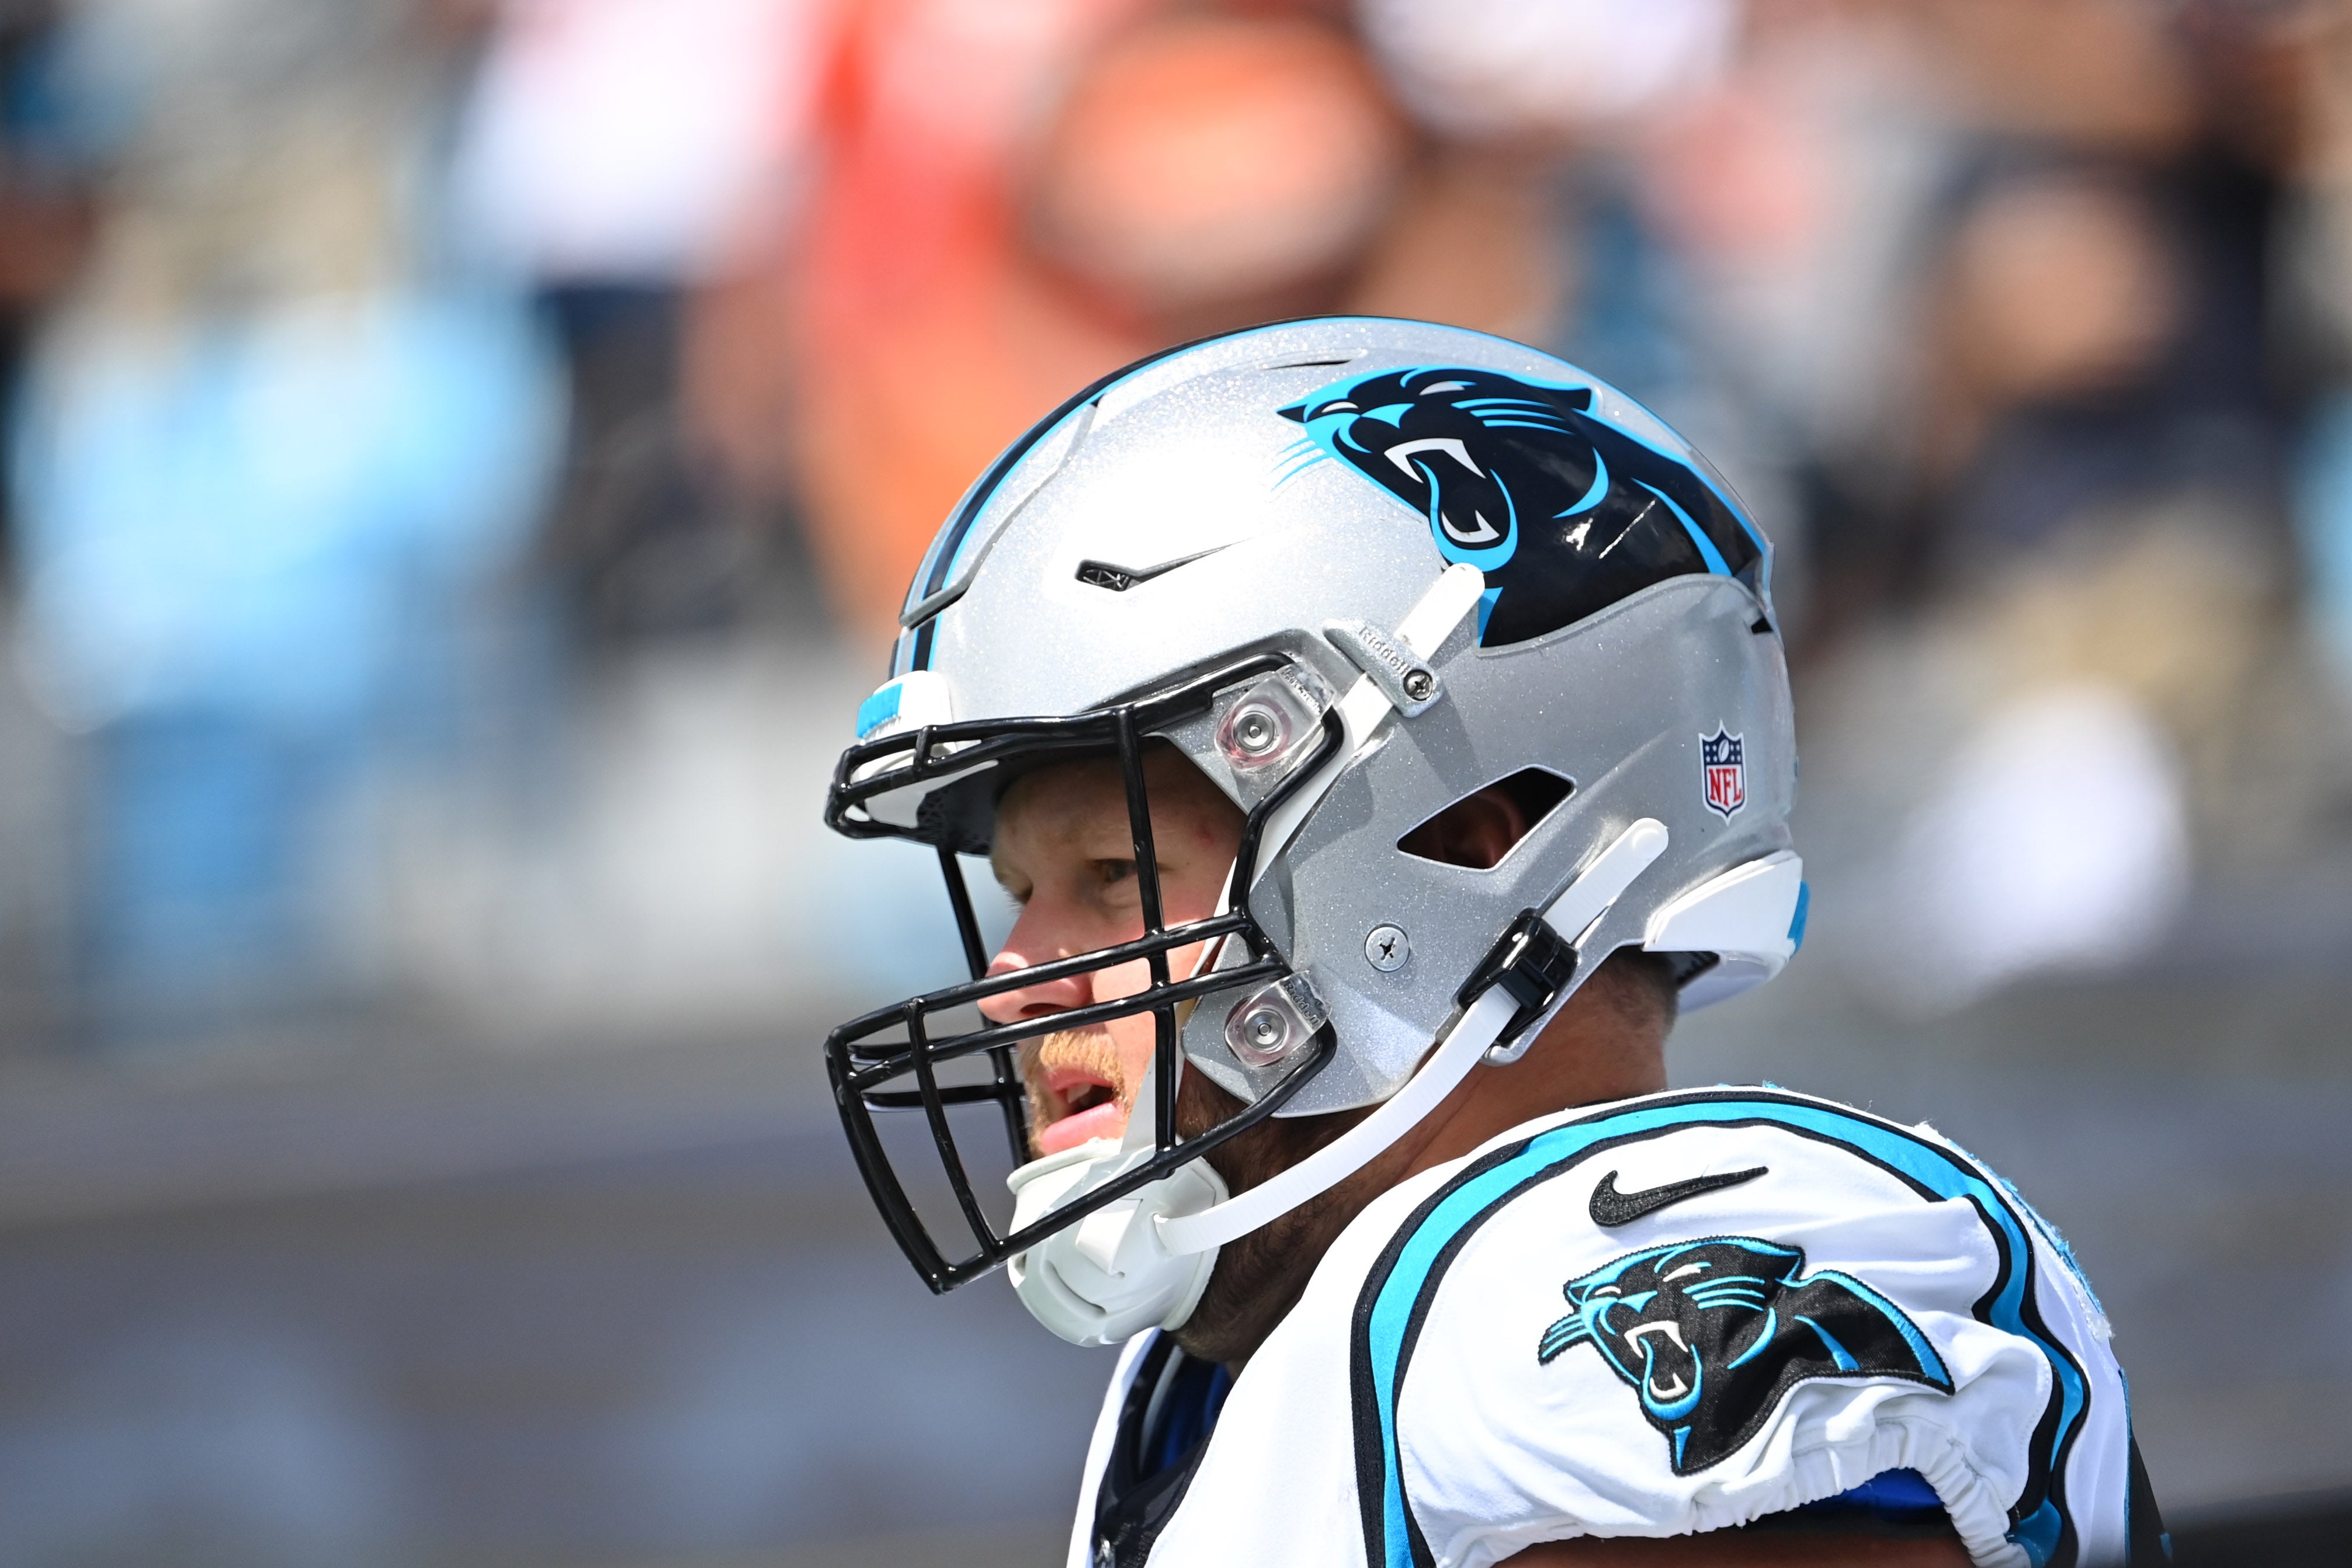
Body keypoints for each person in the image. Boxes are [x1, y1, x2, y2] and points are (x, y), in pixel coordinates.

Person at [819, 319, 2166, 1567]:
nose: (1009, 988)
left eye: (1115, 875)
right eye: (1019, 891)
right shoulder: (1238, 1378)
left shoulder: (1583, 1300)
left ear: (1467, 851)